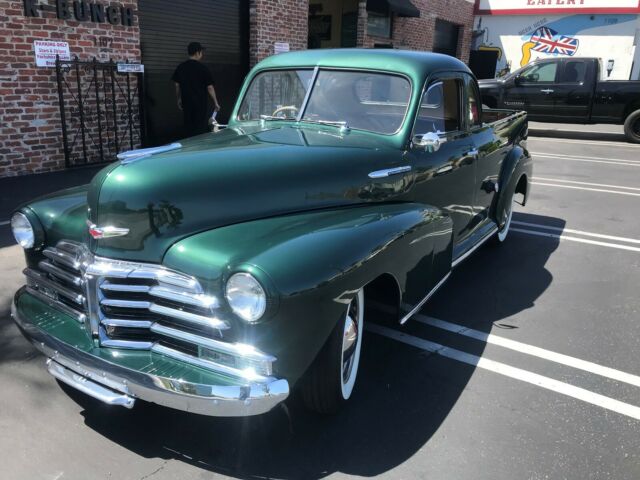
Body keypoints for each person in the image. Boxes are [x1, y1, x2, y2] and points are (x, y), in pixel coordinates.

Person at [172, 42, 221, 137]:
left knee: (188, 127)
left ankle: (189, 147)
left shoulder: (181, 67)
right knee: (199, 128)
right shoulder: (203, 68)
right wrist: (215, 102)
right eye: (201, 52)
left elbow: (177, 85)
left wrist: (178, 99)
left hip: (186, 103)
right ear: (198, 53)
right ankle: (198, 147)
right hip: (200, 104)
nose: (202, 54)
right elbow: (210, 87)